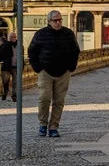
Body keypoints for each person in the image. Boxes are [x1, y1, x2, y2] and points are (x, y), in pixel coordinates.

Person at [28, 10, 80, 138]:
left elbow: (75, 51)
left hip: (63, 72)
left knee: (59, 101)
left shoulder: (68, 34)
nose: (58, 23)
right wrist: (37, 68)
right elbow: (32, 51)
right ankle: (43, 123)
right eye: (55, 20)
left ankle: (53, 127)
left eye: (60, 20)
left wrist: (71, 67)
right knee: (44, 98)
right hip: (45, 71)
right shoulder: (40, 34)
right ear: (49, 21)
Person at [0, 32, 18, 102]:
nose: (12, 38)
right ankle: (5, 92)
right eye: (10, 37)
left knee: (15, 82)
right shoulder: (5, 45)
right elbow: (0, 52)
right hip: (7, 66)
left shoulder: (19, 45)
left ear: (16, 37)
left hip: (16, 66)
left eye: (13, 37)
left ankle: (14, 96)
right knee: (5, 81)